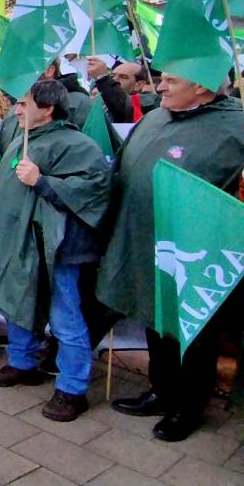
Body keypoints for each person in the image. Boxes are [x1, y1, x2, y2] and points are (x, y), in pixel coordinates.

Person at [97, 72, 244, 441]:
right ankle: (161, 391)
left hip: (199, 251)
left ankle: (189, 407)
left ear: (203, 86)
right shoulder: (157, 116)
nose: (159, 87)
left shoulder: (236, 126)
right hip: (149, 242)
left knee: (193, 332)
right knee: (154, 316)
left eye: (171, 81)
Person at [0, 81, 111, 422]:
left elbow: (94, 191)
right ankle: (22, 363)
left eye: (23, 104)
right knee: (18, 303)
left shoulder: (77, 144)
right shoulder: (23, 137)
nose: (16, 110)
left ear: (48, 109)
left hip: (59, 250)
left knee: (65, 317)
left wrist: (43, 182)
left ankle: (72, 389)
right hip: (19, 244)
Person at [88, 58, 159, 123]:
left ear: (139, 85)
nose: (114, 79)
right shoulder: (103, 105)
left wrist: (102, 77)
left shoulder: (149, 102)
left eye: (123, 77)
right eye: (112, 76)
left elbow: (122, 105)